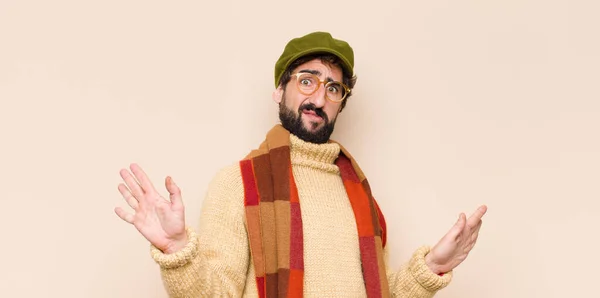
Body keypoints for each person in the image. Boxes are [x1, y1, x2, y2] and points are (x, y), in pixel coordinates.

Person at [114, 31, 487, 298]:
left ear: (341, 102)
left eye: (333, 88)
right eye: (306, 81)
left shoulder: (358, 191)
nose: (318, 98)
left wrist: (432, 267)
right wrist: (178, 250)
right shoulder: (239, 183)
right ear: (280, 90)